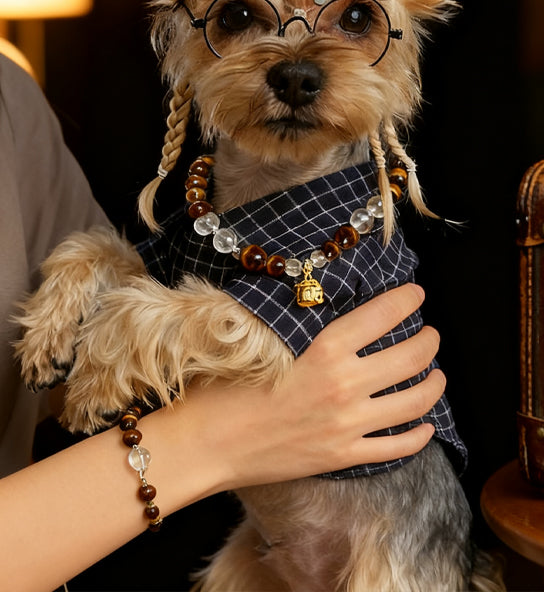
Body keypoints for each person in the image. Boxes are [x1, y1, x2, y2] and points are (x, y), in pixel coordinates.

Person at [0, 53, 445, 592]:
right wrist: (198, 440)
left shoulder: (10, 98)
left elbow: (78, 371)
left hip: (396, 545)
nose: (294, 64)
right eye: (237, 16)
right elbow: (102, 365)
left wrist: (120, 329)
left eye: (353, 20)